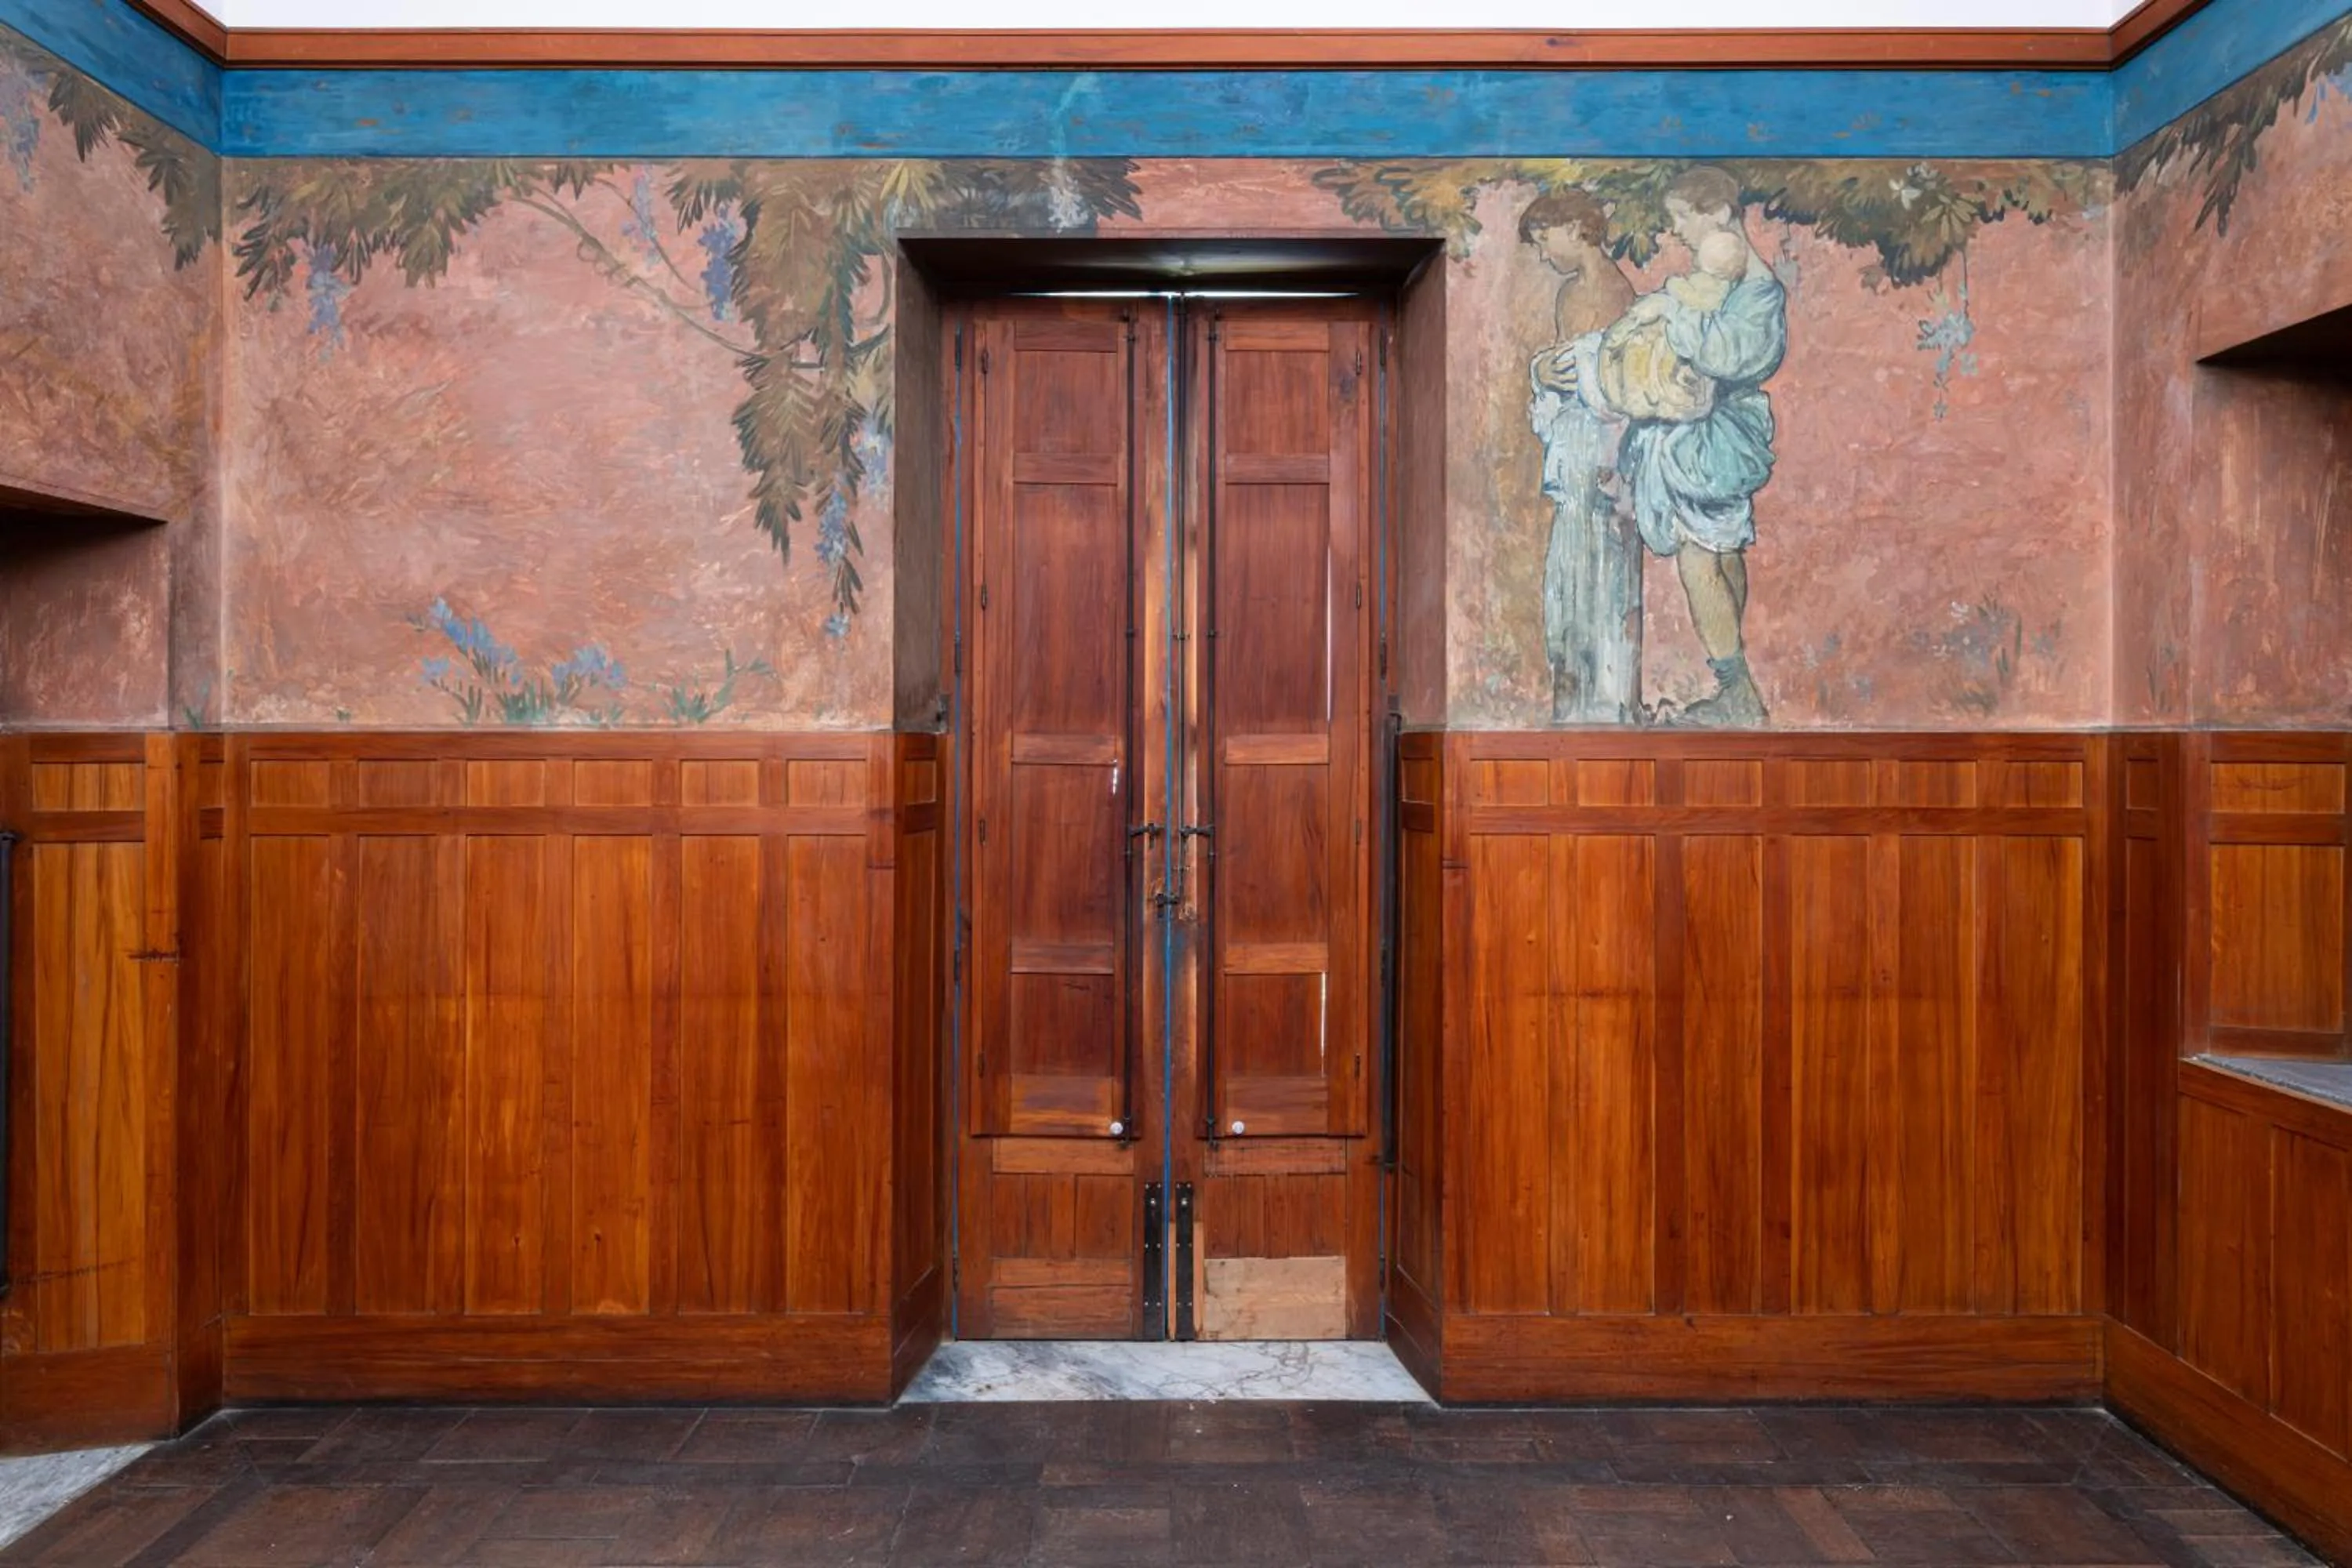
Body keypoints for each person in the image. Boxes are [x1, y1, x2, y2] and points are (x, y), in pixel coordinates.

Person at [1540, 165, 1787, 727]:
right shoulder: (1724, 280)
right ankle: (1735, 683)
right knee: (1718, 555)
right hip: (1703, 433)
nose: (1677, 231)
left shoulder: (1757, 290)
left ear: (1719, 214)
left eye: (1683, 218)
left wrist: (1671, 315)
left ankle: (1736, 689)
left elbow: (1732, 355)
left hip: (1712, 441)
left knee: (1705, 562)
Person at [1519, 189, 1640, 724]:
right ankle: (1572, 701)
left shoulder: (1618, 294)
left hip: (1602, 456)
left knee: (1604, 581)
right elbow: (1560, 370)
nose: (1545, 255)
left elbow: (1611, 381)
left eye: (1547, 241)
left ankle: (1606, 704)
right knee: (1569, 584)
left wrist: (1556, 375)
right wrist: (1541, 374)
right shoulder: (1569, 295)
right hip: (1573, 458)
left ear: (1576, 229)